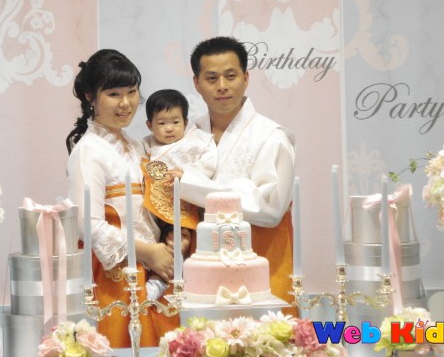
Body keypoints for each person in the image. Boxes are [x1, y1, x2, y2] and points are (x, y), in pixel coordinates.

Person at [65, 49, 178, 348]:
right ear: (90, 97)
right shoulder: (89, 152)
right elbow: (87, 226)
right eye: (114, 94)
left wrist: (168, 238)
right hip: (111, 275)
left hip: (153, 271)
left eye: (132, 92)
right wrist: (148, 252)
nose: (126, 103)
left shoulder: (136, 146)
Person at [177, 36, 297, 314]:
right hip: (202, 266)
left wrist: (190, 186)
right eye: (211, 78)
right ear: (196, 83)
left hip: (263, 261)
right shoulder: (188, 134)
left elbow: (270, 209)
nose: (222, 86)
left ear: (246, 77)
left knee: (267, 336)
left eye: (230, 76)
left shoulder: (272, 136)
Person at [140, 89, 216, 300]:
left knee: (178, 241)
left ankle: (160, 281)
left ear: (186, 122)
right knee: (156, 243)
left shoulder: (195, 141)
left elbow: (210, 163)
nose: (169, 128)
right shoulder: (146, 145)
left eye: (175, 122)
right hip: (154, 207)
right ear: (149, 125)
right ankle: (156, 277)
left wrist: (187, 173)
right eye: (162, 123)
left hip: (183, 205)